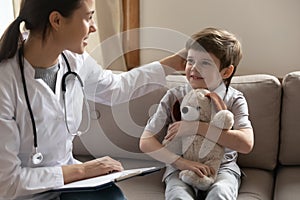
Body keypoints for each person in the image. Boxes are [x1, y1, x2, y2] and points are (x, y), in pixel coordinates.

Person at [0, 0, 186, 199]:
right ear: (56, 20)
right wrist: (83, 171)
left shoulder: (74, 60)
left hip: (65, 183)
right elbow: (7, 183)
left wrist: (175, 62)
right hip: (22, 193)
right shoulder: (5, 82)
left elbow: (116, 88)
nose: (94, 27)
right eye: (88, 17)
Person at [140, 27, 254, 200]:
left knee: (220, 193)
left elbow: (246, 144)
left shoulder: (234, 99)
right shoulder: (174, 96)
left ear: (226, 71)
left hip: (221, 167)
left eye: (205, 63)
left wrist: (196, 128)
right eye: (190, 60)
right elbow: (146, 141)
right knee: (178, 196)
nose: (194, 68)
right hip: (181, 166)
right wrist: (181, 163)